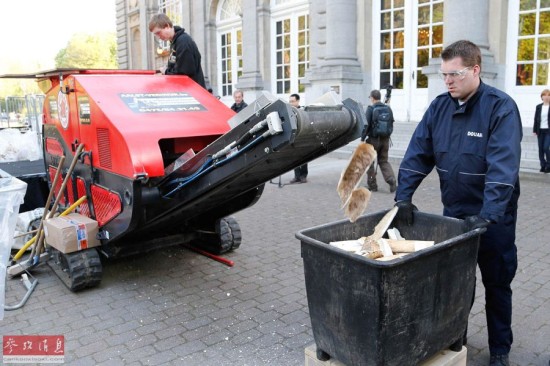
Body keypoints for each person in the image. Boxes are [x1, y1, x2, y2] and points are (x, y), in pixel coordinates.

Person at [394, 40, 521, 366]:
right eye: (444, 75)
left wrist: (489, 214)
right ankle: (455, 338)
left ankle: (500, 351)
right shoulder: (439, 108)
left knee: (497, 284)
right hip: (455, 214)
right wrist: (403, 198)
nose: (448, 81)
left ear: (475, 70)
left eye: (455, 74)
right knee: (456, 284)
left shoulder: (500, 107)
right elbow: (417, 154)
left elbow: (502, 166)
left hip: (494, 218)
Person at [148, 14, 206, 88]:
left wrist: (165, 71)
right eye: (156, 35)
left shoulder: (183, 42)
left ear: (167, 26)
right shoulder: (175, 42)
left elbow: (183, 73)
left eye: (158, 33)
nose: (159, 37)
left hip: (192, 93)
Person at [361, 90, 396, 192]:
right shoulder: (388, 108)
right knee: (383, 161)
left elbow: (366, 125)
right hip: (385, 140)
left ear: (372, 98)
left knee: (369, 162)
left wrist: (362, 139)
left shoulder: (371, 109)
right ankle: (391, 180)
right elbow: (392, 122)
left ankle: (372, 186)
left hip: (373, 140)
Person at [289, 93, 308, 184]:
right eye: (290, 102)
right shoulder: (289, 112)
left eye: (293, 101)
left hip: (302, 138)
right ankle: (296, 176)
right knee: (294, 158)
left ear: (298, 101)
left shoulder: (303, 111)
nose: (291, 103)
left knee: (303, 157)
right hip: (294, 138)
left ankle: (303, 176)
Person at [533, 88, 550, 173]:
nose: (546, 97)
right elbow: (536, 119)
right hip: (540, 130)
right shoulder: (539, 107)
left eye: (548, 95)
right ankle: (543, 165)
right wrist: (534, 130)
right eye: (544, 95)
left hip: (548, 131)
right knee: (540, 149)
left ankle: (548, 165)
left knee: (546, 147)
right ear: (542, 97)